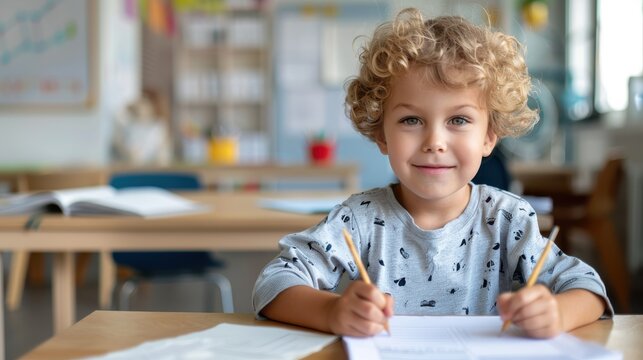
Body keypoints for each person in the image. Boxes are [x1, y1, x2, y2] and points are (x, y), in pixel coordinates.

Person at [253, 8, 611, 339]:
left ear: (489, 136)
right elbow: (273, 282)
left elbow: (589, 287)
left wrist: (557, 313)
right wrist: (332, 312)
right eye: (411, 120)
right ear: (382, 134)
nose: (434, 142)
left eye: (458, 120)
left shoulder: (507, 219)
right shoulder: (359, 219)